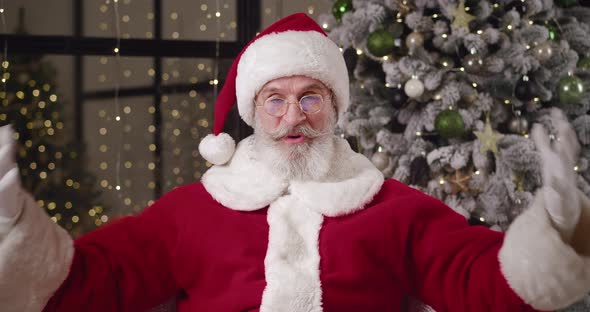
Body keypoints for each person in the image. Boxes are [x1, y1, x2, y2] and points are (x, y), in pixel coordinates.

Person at [0, 13, 589, 312]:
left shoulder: (395, 209)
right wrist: (14, 231)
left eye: (310, 97)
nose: (292, 117)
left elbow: (483, 283)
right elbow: (90, 282)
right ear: (253, 113)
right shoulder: (192, 212)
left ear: (334, 110)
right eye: (274, 101)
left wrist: (559, 229)